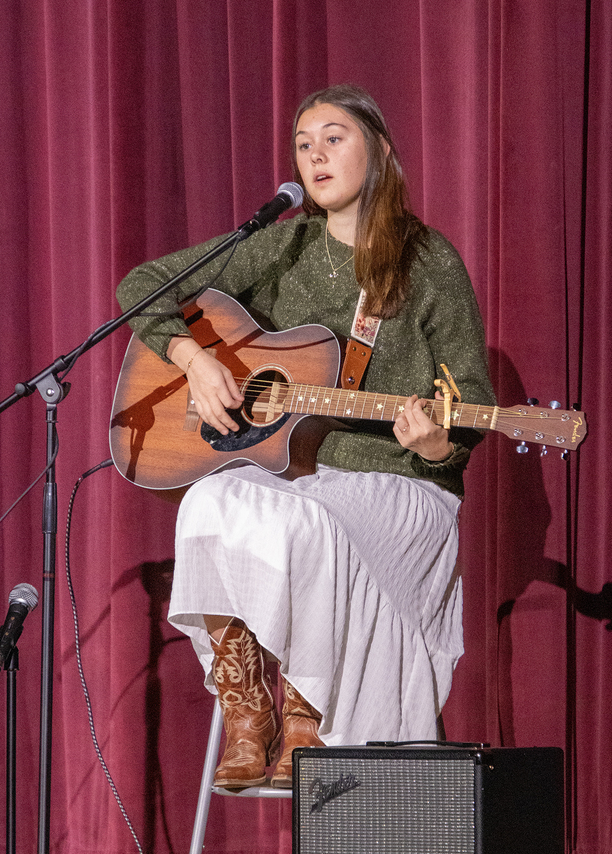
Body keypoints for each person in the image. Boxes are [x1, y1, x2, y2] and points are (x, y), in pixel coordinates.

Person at [116, 84, 496, 789]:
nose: (315, 155)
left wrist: (436, 444)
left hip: (400, 487)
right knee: (208, 499)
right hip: (303, 480)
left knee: (305, 519)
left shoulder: (426, 259)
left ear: (379, 150)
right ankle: (246, 710)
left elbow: (471, 395)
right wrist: (195, 361)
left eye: (333, 137)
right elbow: (145, 284)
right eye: (302, 144)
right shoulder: (280, 246)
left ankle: (308, 711)